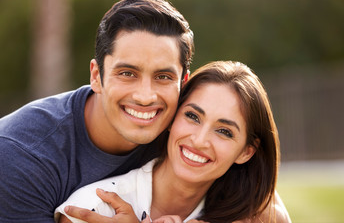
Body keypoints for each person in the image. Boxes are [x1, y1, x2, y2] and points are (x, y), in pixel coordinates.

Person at [0, 0, 194, 223]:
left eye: (163, 77)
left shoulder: (192, 142)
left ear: (182, 85)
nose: (145, 97)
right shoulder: (18, 155)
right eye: (127, 74)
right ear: (96, 76)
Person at [55, 61, 292, 223]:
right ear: (171, 117)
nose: (199, 141)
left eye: (224, 131)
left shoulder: (253, 216)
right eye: (192, 116)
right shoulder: (95, 208)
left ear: (246, 152)